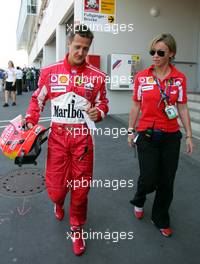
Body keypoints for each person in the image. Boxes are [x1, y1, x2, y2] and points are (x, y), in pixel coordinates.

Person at [25, 24, 109, 255]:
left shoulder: (97, 77)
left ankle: (77, 227)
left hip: (82, 139)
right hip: (58, 139)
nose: (81, 52)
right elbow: (37, 100)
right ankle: (58, 202)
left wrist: (99, 112)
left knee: (81, 189)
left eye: (86, 48)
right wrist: (31, 122)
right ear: (68, 44)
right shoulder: (50, 71)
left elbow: (104, 104)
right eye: (77, 47)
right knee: (57, 189)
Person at [128, 33, 193, 237]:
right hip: (146, 134)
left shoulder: (179, 79)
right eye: (152, 51)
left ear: (171, 54)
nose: (154, 56)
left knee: (167, 180)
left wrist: (189, 135)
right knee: (149, 178)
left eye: (160, 52)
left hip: (171, 136)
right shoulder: (142, 77)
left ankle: (160, 217)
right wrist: (130, 130)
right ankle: (140, 197)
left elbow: (182, 107)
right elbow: (136, 104)